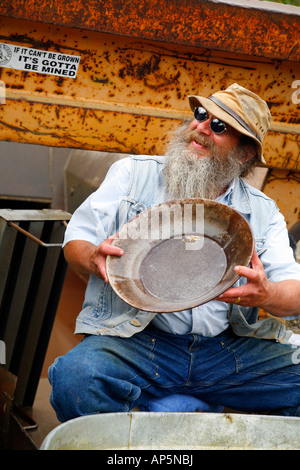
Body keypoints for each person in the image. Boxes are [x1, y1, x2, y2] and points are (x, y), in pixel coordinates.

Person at [49, 83, 300, 422]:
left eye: (219, 126)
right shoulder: (133, 174)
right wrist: (93, 256)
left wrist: (266, 293)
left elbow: (294, 294)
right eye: (200, 115)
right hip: (142, 343)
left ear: (244, 155)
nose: (201, 127)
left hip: (224, 352)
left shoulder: (263, 212)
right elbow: (76, 240)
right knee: (75, 379)